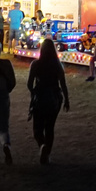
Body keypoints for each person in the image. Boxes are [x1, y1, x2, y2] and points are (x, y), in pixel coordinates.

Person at [26, 37, 70, 165]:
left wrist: (34, 93)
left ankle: (42, 145)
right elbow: (63, 84)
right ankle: (47, 154)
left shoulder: (35, 64)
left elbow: (29, 84)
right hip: (54, 98)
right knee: (50, 128)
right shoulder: (58, 65)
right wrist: (66, 99)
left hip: (40, 98)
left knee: (37, 129)